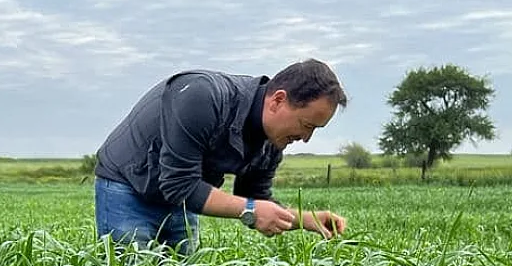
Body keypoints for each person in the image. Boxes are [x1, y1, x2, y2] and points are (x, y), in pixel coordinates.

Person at [93, 59, 349, 255]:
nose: (306, 139)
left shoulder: (271, 142)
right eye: (307, 125)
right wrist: (249, 210)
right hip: (127, 186)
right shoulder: (202, 96)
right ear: (278, 100)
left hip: (181, 198)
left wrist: (307, 220)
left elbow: (257, 201)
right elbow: (180, 185)